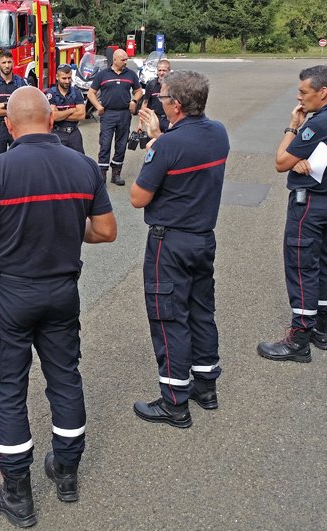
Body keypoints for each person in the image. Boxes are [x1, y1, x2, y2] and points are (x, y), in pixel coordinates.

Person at [0, 86, 117, 528]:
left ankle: (18, 494)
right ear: (50, 119)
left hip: (12, 293)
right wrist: (66, 227)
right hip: (62, 290)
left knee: (7, 385)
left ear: (9, 125)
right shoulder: (83, 165)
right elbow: (106, 231)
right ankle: (66, 472)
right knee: (65, 377)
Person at [129, 70, 229, 428]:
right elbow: (185, 158)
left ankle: (174, 401)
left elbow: (138, 197)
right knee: (201, 310)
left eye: (163, 97)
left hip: (170, 242)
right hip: (202, 238)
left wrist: (157, 144)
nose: (159, 101)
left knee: (169, 317)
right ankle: (206, 386)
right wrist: (161, 137)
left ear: (176, 105)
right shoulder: (218, 132)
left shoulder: (168, 146)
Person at [257, 65, 327, 361]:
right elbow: (302, 158)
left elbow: (281, 161)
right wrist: (300, 156)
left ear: (323, 92)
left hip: (310, 205)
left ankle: (298, 340)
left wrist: (292, 128)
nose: (299, 98)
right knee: (323, 264)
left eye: (303, 92)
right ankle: (323, 330)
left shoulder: (318, 124)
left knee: (301, 268)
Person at [87, 48, 143, 186]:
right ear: (115, 59)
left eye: (126, 59)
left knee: (121, 145)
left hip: (124, 114)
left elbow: (139, 91)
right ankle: (102, 175)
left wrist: (134, 101)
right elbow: (91, 93)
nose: (126, 62)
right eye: (123, 59)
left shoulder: (130, 74)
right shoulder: (103, 75)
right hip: (108, 114)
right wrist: (98, 106)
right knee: (105, 144)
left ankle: (116, 174)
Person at [0, 49, 27, 156]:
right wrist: (11, 109)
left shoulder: (21, 83)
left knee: (18, 158)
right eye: (4, 62)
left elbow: (25, 108)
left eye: (9, 62)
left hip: (16, 127)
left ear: (13, 63)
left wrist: (0, 105)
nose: (7, 65)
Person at [46, 64, 86, 153]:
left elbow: (82, 115)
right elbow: (54, 116)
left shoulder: (76, 92)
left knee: (79, 159)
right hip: (57, 134)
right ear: (57, 77)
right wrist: (71, 110)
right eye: (64, 78)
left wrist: (60, 114)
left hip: (74, 134)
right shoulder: (51, 94)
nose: (67, 81)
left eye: (69, 78)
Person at [143, 58, 171, 133]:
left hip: (168, 119)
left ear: (169, 71)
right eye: (159, 70)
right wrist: (140, 123)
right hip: (154, 119)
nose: (161, 73)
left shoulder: (173, 85)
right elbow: (145, 103)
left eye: (164, 70)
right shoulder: (151, 84)